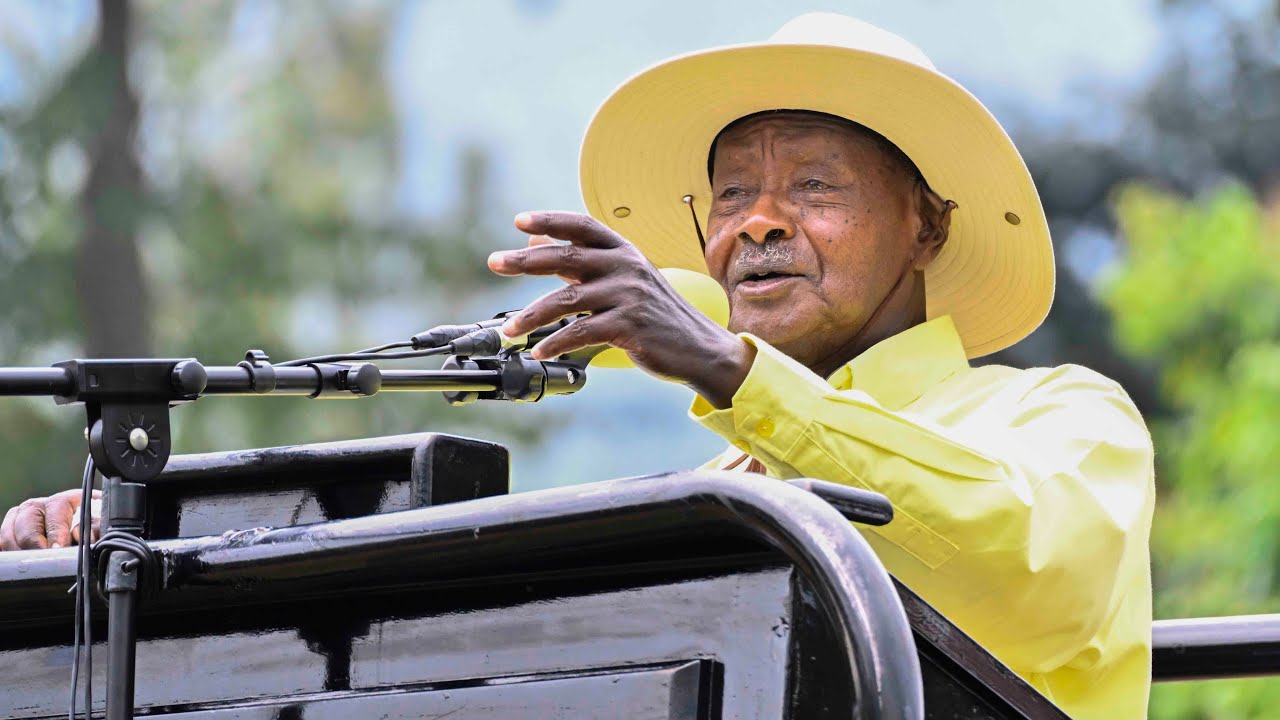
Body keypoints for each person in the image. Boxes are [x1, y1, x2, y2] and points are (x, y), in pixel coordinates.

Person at [2, 14, 1154, 720]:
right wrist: (151, 547)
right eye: (730, 195)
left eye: (812, 187)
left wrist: (729, 368)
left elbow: (1029, 572)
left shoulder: (1060, 418)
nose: (757, 222)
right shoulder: (713, 497)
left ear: (926, 226)